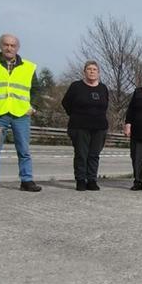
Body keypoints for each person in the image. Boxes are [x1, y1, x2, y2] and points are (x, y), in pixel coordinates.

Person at [0, 34, 41, 193]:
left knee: (24, 150)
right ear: (0, 45)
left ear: (17, 48)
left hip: (21, 115)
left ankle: (27, 180)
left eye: (12, 45)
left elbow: (37, 90)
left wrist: (33, 107)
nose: (9, 48)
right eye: (6, 45)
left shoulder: (29, 67)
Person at [61, 60, 109, 191]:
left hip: (99, 127)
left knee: (94, 154)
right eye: (89, 69)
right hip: (80, 126)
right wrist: (76, 115)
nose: (92, 71)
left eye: (94, 69)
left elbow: (106, 105)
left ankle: (92, 179)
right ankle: (81, 180)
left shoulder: (103, 88)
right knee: (81, 154)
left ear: (98, 73)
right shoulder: (76, 86)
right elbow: (66, 103)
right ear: (84, 72)